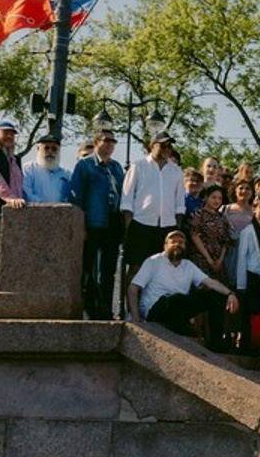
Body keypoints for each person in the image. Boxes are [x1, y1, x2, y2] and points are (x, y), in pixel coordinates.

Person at [126, 228, 239, 349]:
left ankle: (216, 344)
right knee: (175, 298)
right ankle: (182, 327)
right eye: (173, 241)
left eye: (180, 242)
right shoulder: (153, 261)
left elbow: (210, 282)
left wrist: (230, 294)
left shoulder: (188, 265)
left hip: (179, 306)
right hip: (156, 308)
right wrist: (136, 318)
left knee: (214, 295)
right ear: (165, 246)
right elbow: (133, 288)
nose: (177, 244)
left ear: (185, 246)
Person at [120, 131, 185, 297]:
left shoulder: (176, 171)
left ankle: (151, 310)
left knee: (162, 269)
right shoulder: (138, 166)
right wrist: (129, 227)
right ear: (152, 146)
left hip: (166, 226)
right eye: (163, 145)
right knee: (136, 268)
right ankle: (129, 310)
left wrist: (176, 227)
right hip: (141, 224)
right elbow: (127, 200)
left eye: (169, 146)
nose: (167, 149)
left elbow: (179, 204)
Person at [70, 127, 125, 320]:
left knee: (108, 270)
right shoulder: (85, 165)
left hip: (112, 223)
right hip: (93, 222)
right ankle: (85, 309)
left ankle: (105, 310)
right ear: (96, 142)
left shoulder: (117, 167)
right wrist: (82, 226)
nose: (110, 144)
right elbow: (76, 197)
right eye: (106, 140)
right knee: (88, 268)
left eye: (113, 141)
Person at [188, 184, 231, 282]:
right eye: (214, 197)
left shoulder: (222, 218)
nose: (217, 201)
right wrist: (209, 259)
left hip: (218, 262)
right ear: (206, 197)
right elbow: (194, 235)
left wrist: (220, 261)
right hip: (201, 259)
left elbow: (226, 241)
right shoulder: (199, 214)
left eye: (220, 198)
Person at [23, 134, 72, 204]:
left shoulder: (66, 174)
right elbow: (27, 193)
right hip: (34, 212)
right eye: (46, 148)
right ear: (38, 149)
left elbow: (69, 197)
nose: (50, 151)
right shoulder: (29, 169)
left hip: (60, 213)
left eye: (54, 149)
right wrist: (45, 208)